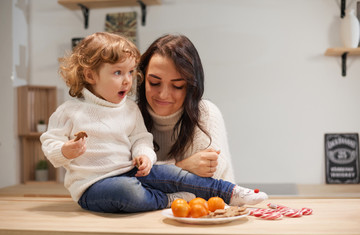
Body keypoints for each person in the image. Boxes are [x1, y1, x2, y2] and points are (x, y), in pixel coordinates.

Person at [41, 32, 267, 214]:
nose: (127, 80)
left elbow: (142, 140)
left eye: (130, 72)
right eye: (154, 82)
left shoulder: (130, 110)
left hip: (139, 177)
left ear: (191, 86)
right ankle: (168, 200)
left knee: (170, 177)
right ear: (91, 76)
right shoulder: (70, 111)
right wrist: (65, 151)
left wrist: (146, 158)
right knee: (129, 189)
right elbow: (51, 144)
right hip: (100, 186)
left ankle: (232, 192)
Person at [137, 34, 234, 182]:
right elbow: (121, 183)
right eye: (154, 82)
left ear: (191, 87)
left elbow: (202, 187)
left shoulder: (206, 114)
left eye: (177, 86)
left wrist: (153, 174)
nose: (163, 95)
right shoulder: (130, 114)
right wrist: (183, 166)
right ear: (142, 79)